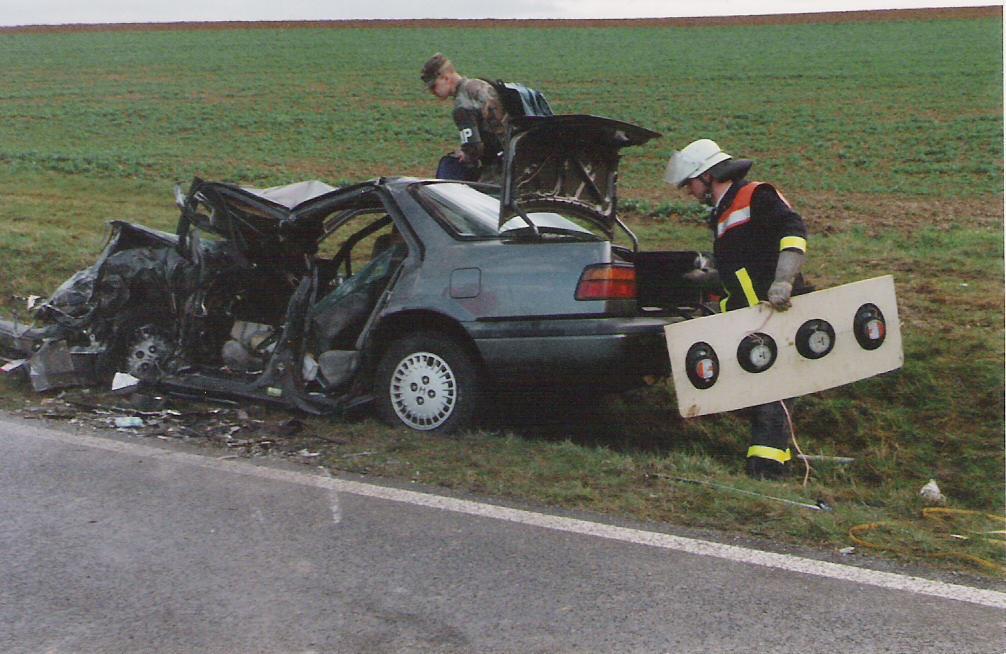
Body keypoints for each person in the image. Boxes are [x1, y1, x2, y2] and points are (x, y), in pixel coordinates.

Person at [665, 138, 809, 480]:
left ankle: (766, 471)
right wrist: (707, 280)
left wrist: (783, 280)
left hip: (774, 311)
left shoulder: (756, 195)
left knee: (772, 392)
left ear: (708, 176)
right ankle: (776, 462)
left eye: (690, 183)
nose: (689, 192)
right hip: (749, 317)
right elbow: (740, 267)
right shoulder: (723, 214)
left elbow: (793, 231)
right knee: (763, 390)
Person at [420, 52, 552, 183]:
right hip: (525, 153)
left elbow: (474, 148)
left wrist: (465, 155)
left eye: (433, 86)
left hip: (503, 166)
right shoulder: (480, 84)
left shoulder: (462, 105)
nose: (433, 92)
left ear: (446, 78)